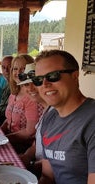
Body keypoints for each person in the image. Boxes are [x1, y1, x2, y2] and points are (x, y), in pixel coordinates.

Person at [33, 50, 95, 184]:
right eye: (38, 80)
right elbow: (48, 177)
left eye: (53, 76)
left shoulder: (91, 120)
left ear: (75, 76)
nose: (44, 84)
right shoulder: (49, 119)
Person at [1, 54, 41, 154]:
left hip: (23, 148)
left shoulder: (32, 96)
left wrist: (3, 139)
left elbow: (29, 132)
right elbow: (8, 119)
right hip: (9, 141)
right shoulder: (14, 93)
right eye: (15, 68)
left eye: (23, 69)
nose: (18, 72)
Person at [18, 63, 50, 179]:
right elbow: (37, 143)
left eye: (35, 82)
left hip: (41, 173)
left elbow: (56, 162)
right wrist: (26, 156)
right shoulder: (46, 109)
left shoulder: (58, 114)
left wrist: (29, 165)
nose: (30, 88)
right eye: (26, 84)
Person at [0, 55, 13, 125]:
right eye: (3, 67)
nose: (6, 70)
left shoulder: (17, 87)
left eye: (9, 66)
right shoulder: (7, 84)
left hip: (3, 121)